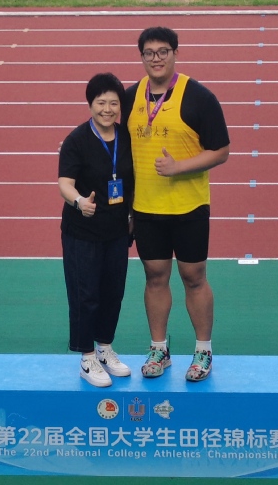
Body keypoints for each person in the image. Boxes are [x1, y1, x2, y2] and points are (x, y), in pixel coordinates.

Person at [123, 27, 230, 382]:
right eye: (149, 52)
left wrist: (179, 167)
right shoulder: (130, 98)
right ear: (141, 57)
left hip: (189, 208)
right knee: (155, 277)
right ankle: (159, 349)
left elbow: (221, 150)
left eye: (163, 51)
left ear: (175, 54)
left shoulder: (199, 97)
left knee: (193, 277)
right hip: (146, 209)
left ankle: (203, 351)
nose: (156, 58)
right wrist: (127, 208)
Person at [58, 73, 135, 387]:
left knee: (112, 293)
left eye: (113, 103)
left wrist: (133, 214)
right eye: (101, 102)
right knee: (85, 294)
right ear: (90, 104)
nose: (107, 109)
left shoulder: (126, 136)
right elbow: (65, 183)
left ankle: (105, 348)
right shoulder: (77, 140)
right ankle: (87, 357)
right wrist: (79, 202)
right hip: (83, 232)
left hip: (116, 231)